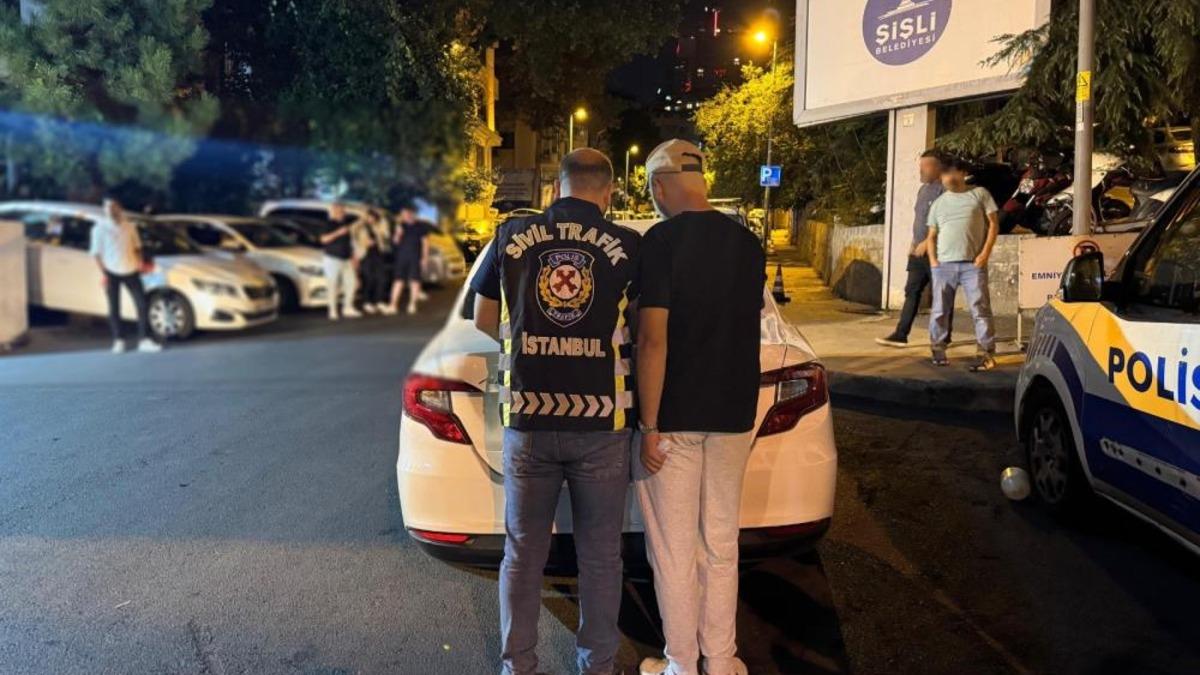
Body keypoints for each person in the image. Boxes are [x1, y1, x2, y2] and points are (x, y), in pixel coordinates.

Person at [471, 148, 639, 675]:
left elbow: (482, 318)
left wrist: (529, 342)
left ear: (556, 188)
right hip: (603, 424)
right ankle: (597, 665)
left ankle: (518, 666)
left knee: (522, 554)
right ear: (607, 193)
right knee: (601, 557)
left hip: (528, 418)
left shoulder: (510, 236)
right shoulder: (626, 245)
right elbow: (641, 329)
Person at [634, 140, 764, 675]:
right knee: (721, 542)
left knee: (673, 548)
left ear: (660, 185)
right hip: (734, 413)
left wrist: (648, 423)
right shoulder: (748, 243)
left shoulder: (661, 242)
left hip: (675, 417)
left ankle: (681, 664)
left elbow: (653, 339)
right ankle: (722, 658)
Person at [926, 157, 1000, 371]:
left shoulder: (980, 194)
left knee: (980, 309)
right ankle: (937, 350)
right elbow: (931, 236)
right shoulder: (938, 203)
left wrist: (984, 254)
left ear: (963, 173)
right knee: (939, 310)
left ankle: (985, 352)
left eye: (951, 173)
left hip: (972, 265)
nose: (948, 178)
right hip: (943, 266)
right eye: (944, 174)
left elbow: (993, 224)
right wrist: (933, 262)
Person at [877, 149, 949, 347]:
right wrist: (913, 243)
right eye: (920, 165)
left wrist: (927, 242)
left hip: (938, 252)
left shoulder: (946, 189)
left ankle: (943, 337)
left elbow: (947, 220)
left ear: (938, 167)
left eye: (926, 165)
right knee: (911, 292)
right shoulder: (923, 190)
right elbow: (919, 220)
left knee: (942, 295)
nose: (921, 170)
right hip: (918, 253)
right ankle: (901, 334)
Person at [90, 198, 160, 353]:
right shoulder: (99, 228)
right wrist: (104, 272)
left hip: (131, 270)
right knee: (114, 307)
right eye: (107, 207)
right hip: (111, 272)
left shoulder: (130, 226)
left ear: (120, 208)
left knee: (142, 304)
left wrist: (140, 262)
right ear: (104, 209)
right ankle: (119, 340)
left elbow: (137, 247)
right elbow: (96, 254)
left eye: (114, 206)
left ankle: (144, 339)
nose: (111, 210)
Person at [319, 202, 361, 320]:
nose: (341, 213)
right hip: (332, 258)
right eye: (338, 211)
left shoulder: (345, 225)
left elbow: (349, 243)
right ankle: (332, 310)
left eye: (343, 211)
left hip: (346, 259)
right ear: (333, 212)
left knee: (352, 283)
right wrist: (338, 233)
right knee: (333, 284)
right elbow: (323, 239)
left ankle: (348, 307)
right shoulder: (328, 224)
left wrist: (353, 257)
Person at [388, 205, 430, 315]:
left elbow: (425, 244)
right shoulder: (400, 226)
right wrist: (398, 233)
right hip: (401, 258)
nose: (404, 216)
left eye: (406, 213)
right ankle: (393, 305)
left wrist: (424, 258)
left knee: (414, 281)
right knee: (398, 280)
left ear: (411, 214)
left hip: (415, 257)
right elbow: (395, 242)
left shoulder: (421, 226)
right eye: (402, 214)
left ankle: (412, 304)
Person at [358, 209, 393, 314]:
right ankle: (367, 302)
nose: (371, 219)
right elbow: (358, 241)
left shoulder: (378, 226)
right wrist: (367, 242)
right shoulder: (361, 227)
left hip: (378, 255)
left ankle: (379, 301)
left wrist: (382, 223)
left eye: (373, 217)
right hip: (366, 256)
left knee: (382, 278)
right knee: (369, 279)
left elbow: (386, 235)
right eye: (369, 217)